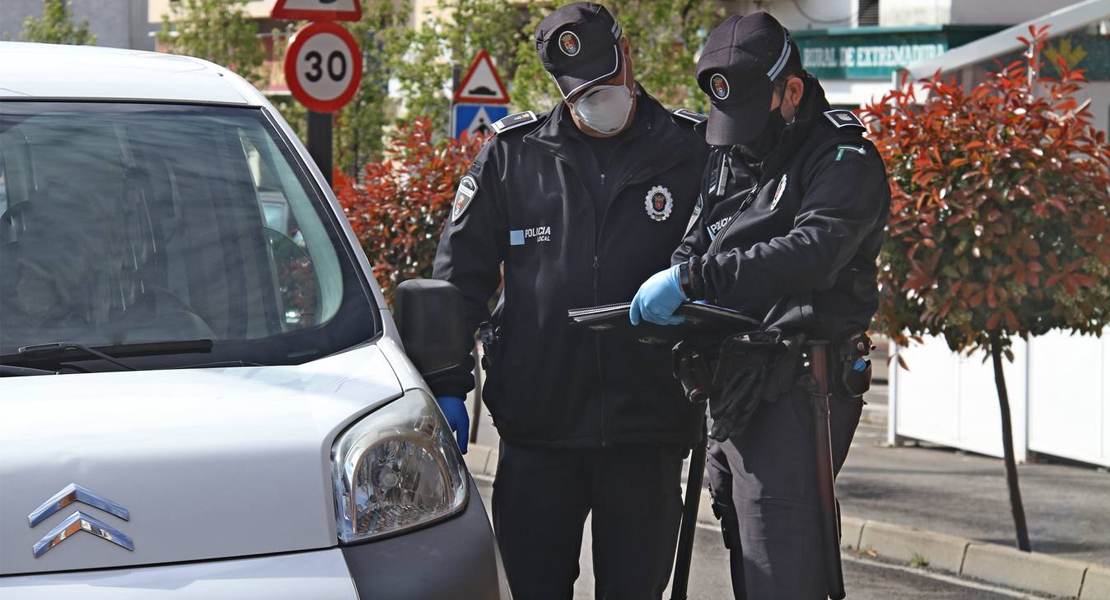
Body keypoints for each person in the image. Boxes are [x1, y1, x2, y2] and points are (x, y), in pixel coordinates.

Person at [428, 3, 711, 599]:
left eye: (607, 81)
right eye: (581, 90)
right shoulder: (514, 155)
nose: (597, 98)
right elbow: (460, 277)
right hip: (539, 430)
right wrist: (447, 383)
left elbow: (727, 258)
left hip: (648, 428)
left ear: (627, 55)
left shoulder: (691, 150)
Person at [629, 12, 891, 600]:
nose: (737, 133)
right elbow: (699, 235)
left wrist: (697, 279)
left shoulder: (842, 157)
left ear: (790, 91)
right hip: (735, 381)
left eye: (748, 115)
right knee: (749, 553)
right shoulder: (733, 151)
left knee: (782, 565)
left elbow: (810, 252)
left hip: (800, 385)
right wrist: (679, 279)